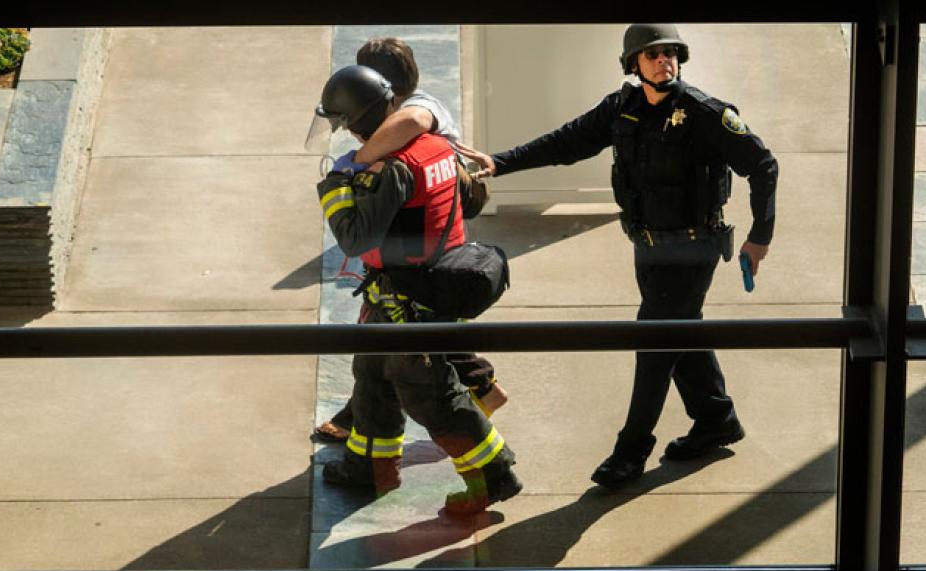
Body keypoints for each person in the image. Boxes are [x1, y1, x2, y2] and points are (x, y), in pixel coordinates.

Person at [470, 24, 779, 488]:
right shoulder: (622, 108)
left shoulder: (705, 114)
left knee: (654, 346)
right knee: (680, 333)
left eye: (670, 53)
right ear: (633, 64)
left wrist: (761, 235)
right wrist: (500, 162)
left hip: (693, 249)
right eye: (653, 55)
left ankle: (631, 451)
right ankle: (716, 418)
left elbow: (763, 165)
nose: (664, 61)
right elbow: (565, 143)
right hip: (648, 247)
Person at [314, 64, 521, 516]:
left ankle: (494, 474)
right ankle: (370, 467)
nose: (345, 133)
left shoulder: (393, 169)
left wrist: (334, 189)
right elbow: (465, 202)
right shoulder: (432, 147)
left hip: (408, 300)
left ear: (357, 119)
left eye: (344, 122)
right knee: (372, 381)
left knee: (432, 395)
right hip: (408, 288)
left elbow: (355, 238)